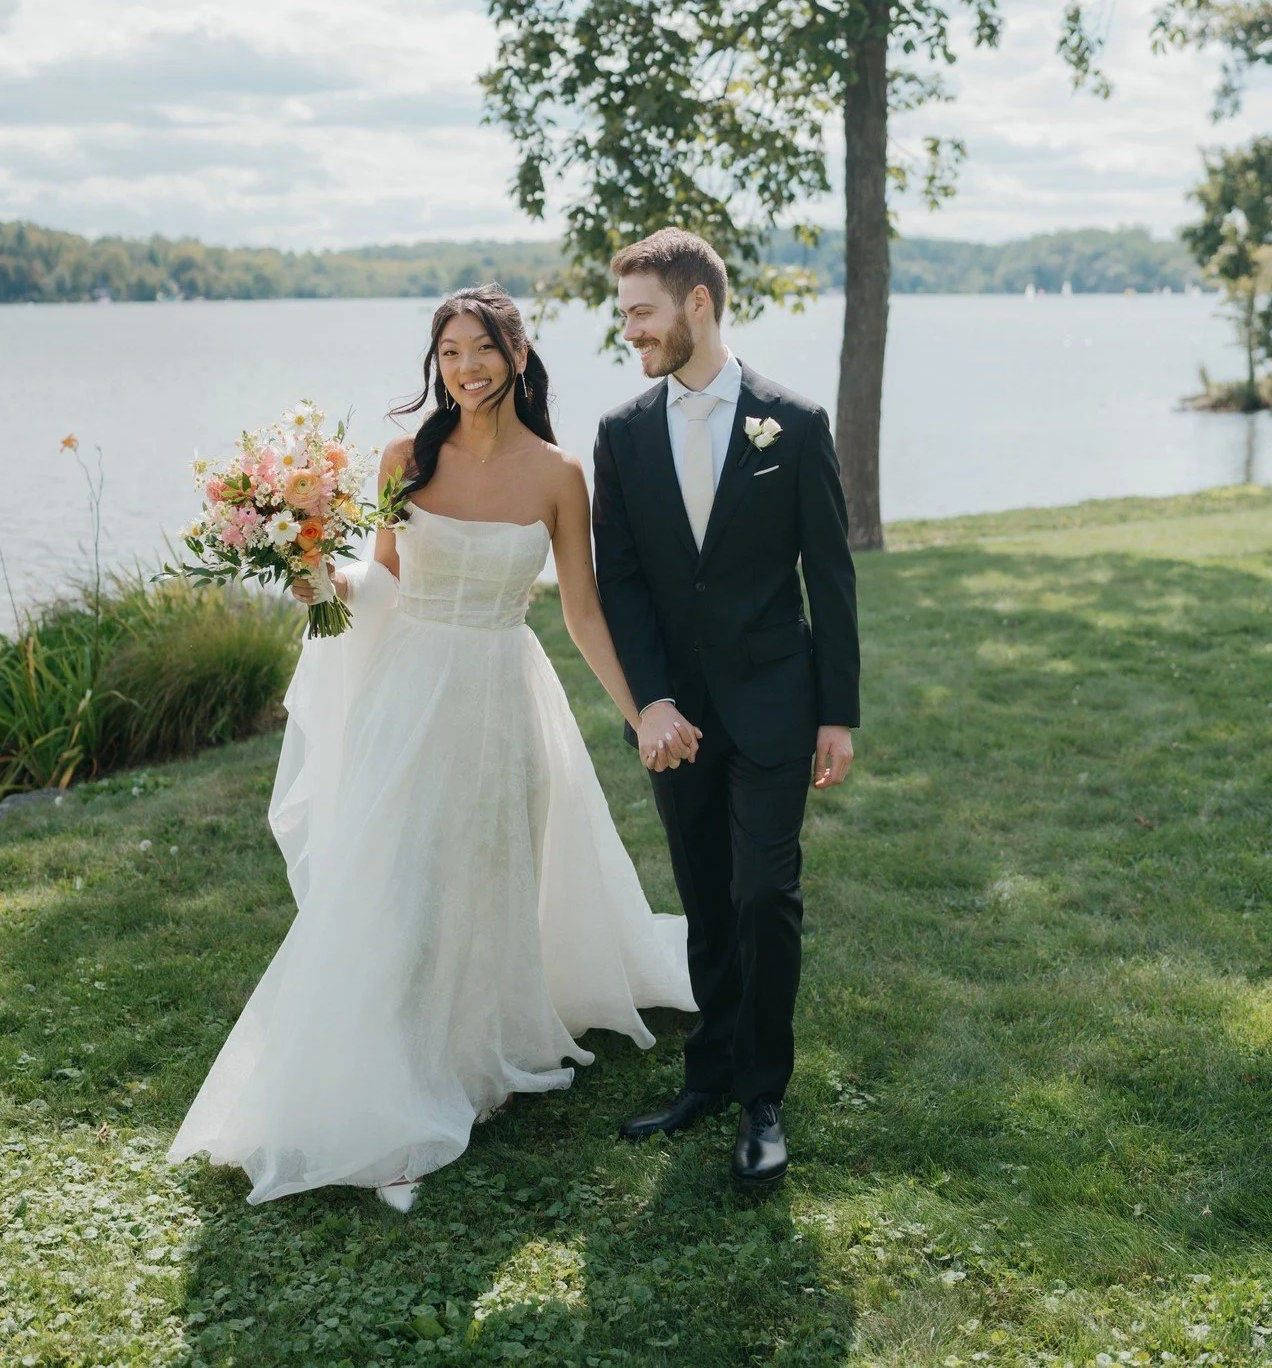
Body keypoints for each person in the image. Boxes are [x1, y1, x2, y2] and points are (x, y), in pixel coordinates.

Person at [167, 285, 693, 1211]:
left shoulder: (559, 475)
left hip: (501, 696)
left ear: (518, 356)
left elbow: (581, 612)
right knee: (399, 881)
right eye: (449, 352)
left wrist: (645, 709)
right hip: (409, 693)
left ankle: (476, 1049)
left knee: (485, 875)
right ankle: (391, 1081)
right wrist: (324, 582)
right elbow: (386, 579)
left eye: (482, 348)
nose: (465, 367)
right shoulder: (403, 459)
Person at [591, 229, 860, 1190]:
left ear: (696, 304)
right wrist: (650, 703)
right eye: (625, 314)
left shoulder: (795, 422)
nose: (629, 331)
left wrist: (838, 712)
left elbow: (831, 577)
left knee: (762, 895)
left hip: (778, 703)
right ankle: (706, 1076)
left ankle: (762, 1099)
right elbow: (621, 584)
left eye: (641, 312)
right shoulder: (621, 434)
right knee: (705, 894)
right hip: (675, 718)